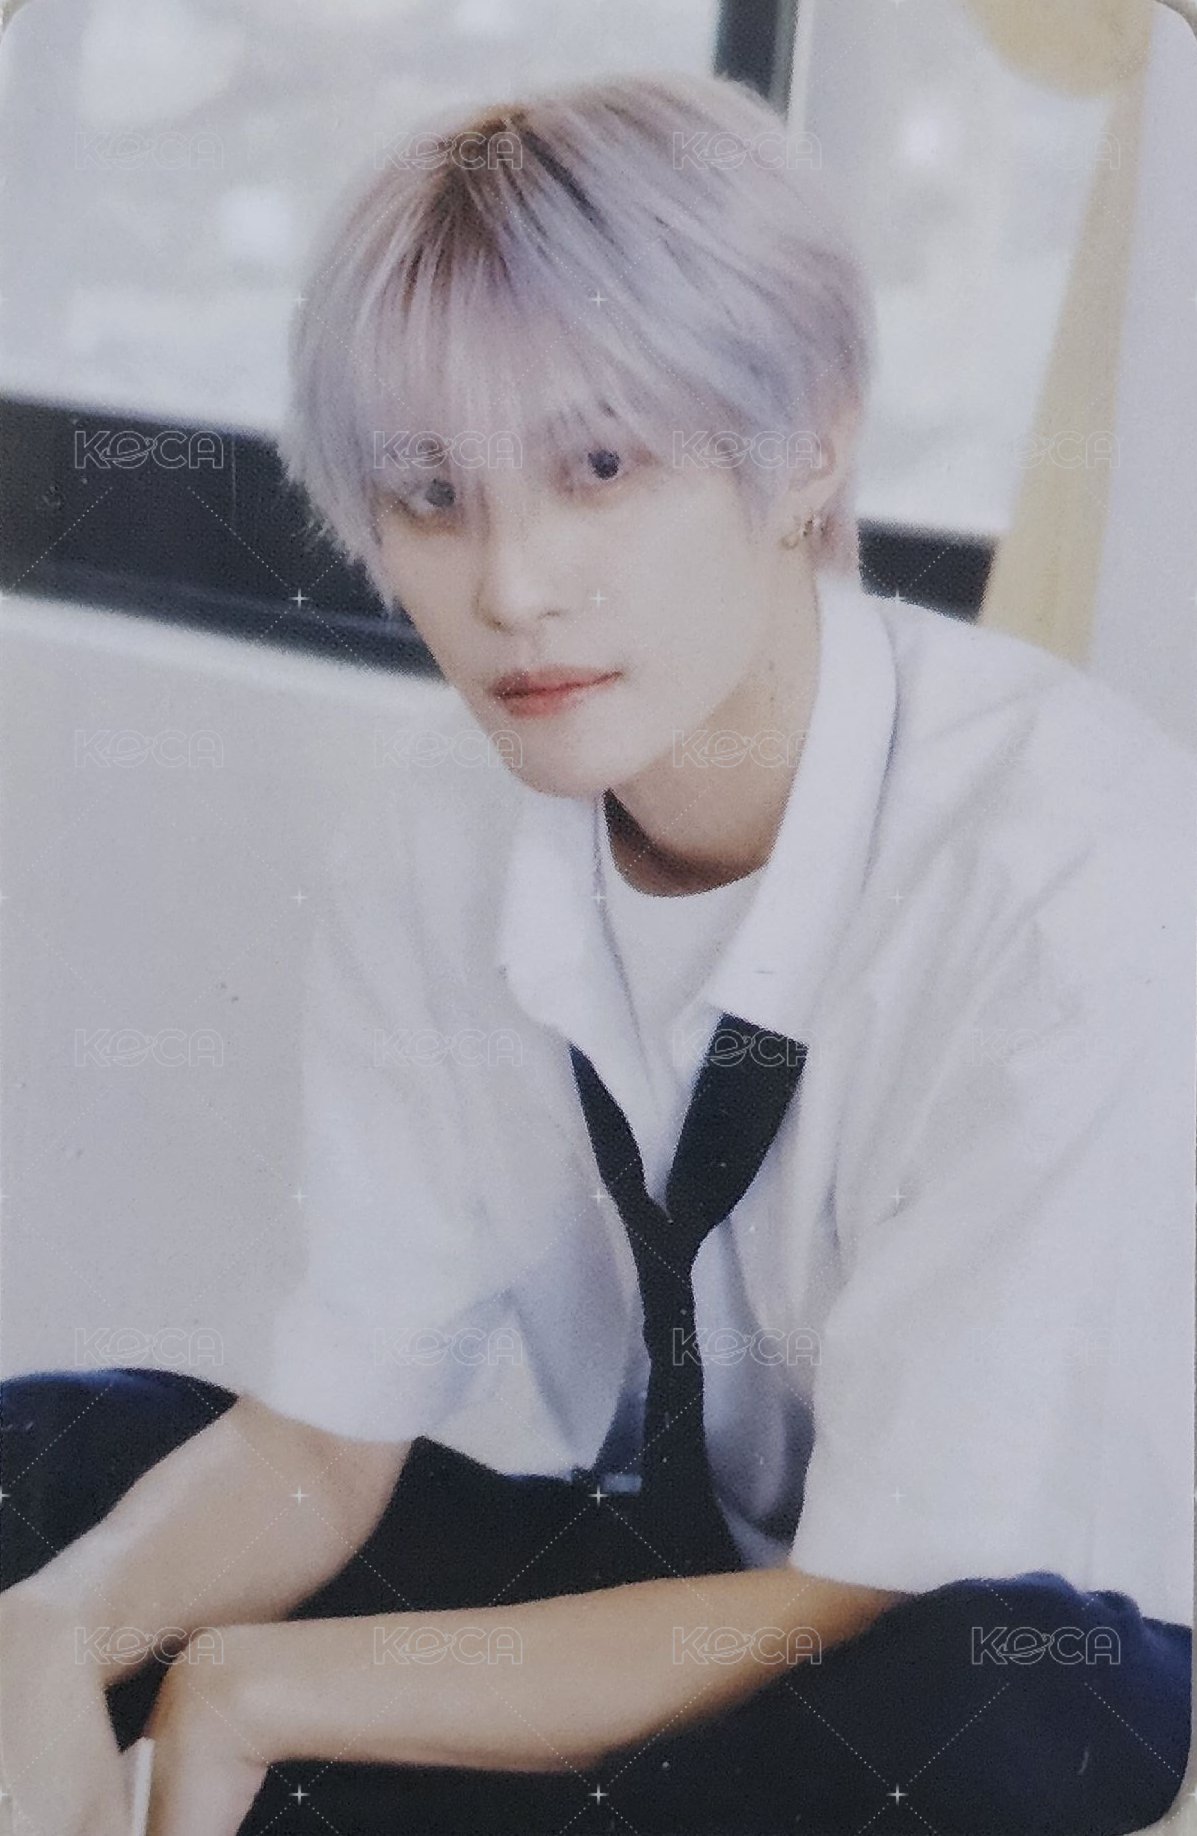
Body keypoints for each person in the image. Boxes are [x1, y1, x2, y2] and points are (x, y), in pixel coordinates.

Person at [1, 68, 1193, 1836]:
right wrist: (53, 1630)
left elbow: (894, 1583)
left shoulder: (1070, 860)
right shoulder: (440, 829)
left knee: (1006, 1701)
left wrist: (257, 1688)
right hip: (653, 1586)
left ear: (810, 446)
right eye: (431, 494)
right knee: (56, 1467)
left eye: (601, 467)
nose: (511, 587)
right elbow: (325, 1438)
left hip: (969, 1647)